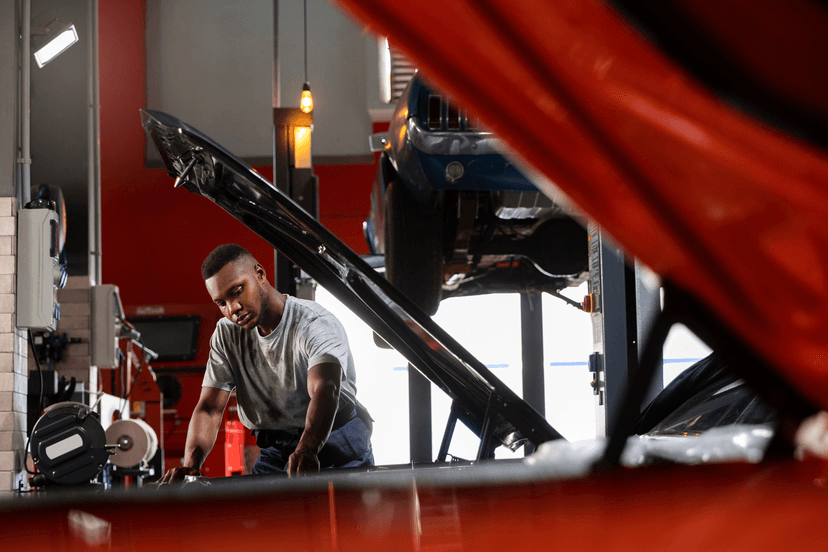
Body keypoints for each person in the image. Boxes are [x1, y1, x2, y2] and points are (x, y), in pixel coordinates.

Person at [159, 244, 373, 482]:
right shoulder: (227, 334)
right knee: (265, 516)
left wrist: (307, 449)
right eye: (221, 303)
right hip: (277, 447)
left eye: (237, 291)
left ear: (259, 274)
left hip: (335, 438)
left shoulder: (313, 322)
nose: (233, 309)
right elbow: (210, 408)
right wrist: (191, 465)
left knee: (339, 516)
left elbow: (325, 389)